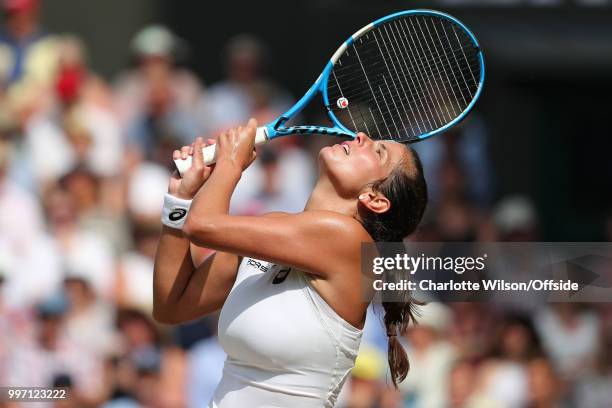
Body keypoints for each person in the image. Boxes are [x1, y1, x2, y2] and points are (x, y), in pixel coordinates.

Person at [153, 119, 428, 407]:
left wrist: (231, 163)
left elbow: (202, 225)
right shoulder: (271, 228)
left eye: (378, 151)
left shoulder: (347, 241)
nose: (361, 136)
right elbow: (173, 306)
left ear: (375, 199)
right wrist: (180, 198)